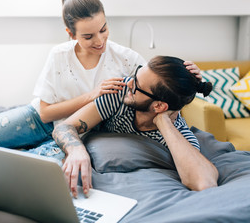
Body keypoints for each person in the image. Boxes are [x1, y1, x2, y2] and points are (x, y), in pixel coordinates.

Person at [0, 0, 201, 164]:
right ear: (70, 33)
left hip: (81, 130)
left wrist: (194, 78)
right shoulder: (59, 56)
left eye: (104, 29)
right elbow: (44, 114)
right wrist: (92, 95)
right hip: (39, 120)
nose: (100, 41)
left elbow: (159, 87)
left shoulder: (126, 58)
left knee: (28, 168)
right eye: (88, 36)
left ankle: (19, 149)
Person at [52, 55, 219, 198]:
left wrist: (163, 122)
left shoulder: (179, 135)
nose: (129, 83)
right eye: (136, 74)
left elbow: (204, 183)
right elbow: (65, 127)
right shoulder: (120, 92)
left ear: (159, 106)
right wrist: (76, 151)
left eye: (137, 85)